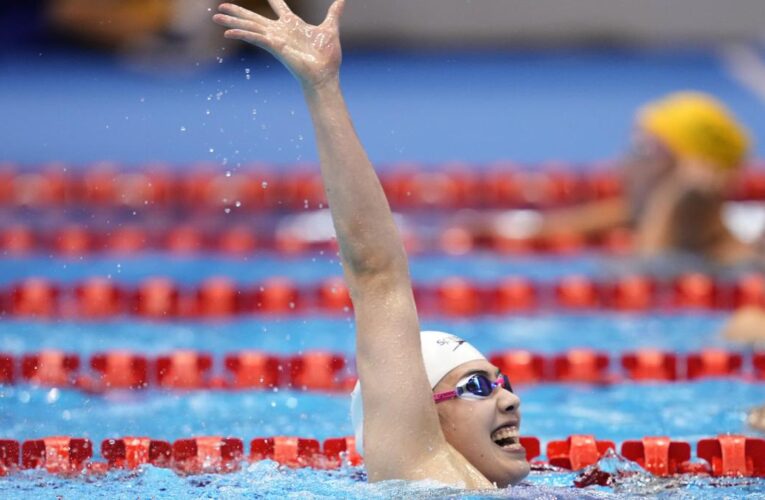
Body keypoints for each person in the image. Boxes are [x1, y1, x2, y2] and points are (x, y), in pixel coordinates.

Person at [213, 0, 529, 489]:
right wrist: (322, 88)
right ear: (415, 411)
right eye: (478, 387)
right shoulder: (425, 473)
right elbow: (377, 275)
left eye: (499, 382)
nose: (510, 400)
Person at [488, 91, 754, 266]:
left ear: (691, 172)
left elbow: (647, 276)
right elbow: (546, 227)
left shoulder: (735, 260)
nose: (624, 165)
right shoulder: (632, 215)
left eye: (643, 151)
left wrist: (671, 202)